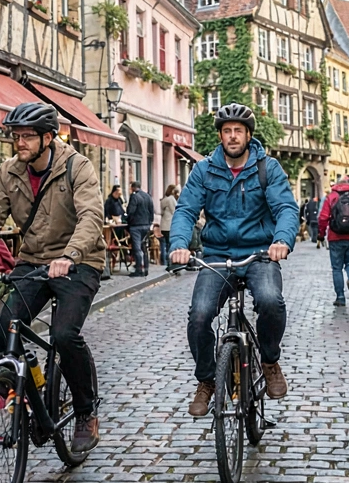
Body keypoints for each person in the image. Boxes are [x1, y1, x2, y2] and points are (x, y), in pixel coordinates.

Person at [0, 102, 107, 451]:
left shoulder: (76, 167)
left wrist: (70, 255)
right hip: (34, 261)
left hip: (79, 262)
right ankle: (23, 390)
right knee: (1, 329)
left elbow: (91, 216)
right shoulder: (9, 172)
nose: (19, 143)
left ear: (48, 138)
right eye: (15, 137)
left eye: (26, 137)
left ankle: (85, 411)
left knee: (64, 335)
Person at [169, 103, 299, 417]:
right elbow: (186, 210)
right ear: (220, 136)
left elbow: (286, 208)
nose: (232, 136)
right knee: (199, 315)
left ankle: (268, 361)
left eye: (237, 131)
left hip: (260, 254)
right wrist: (178, 244)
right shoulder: (204, 169)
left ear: (248, 135)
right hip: (217, 255)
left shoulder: (268, 168)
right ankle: (206, 380)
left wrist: (281, 240)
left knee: (270, 300)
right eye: (226, 131)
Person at [316, 175, 349, 306]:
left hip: (335, 237)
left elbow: (323, 218)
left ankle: (340, 297)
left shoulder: (331, 197)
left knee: (337, 268)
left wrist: (321, 234)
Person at [125, 181, 154, 277]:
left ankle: (139, 269)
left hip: (136, 225)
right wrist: (149, 223)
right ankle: (146, 268)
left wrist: (128, 221)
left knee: (137, 248)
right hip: (146, 225)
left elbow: (130, 211)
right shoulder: (147, 196)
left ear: (133, 188)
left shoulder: (134, 196)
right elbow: (151, 211)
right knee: (144, 248)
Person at [158, 184, 179, 266]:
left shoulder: (164, 200)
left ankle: (163, 261)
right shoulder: (171, 199)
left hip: (164, 225)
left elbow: (162, 212)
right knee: (169, 244)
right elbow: (175, 211)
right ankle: (169, 261)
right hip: (170, 225)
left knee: (163, 244)